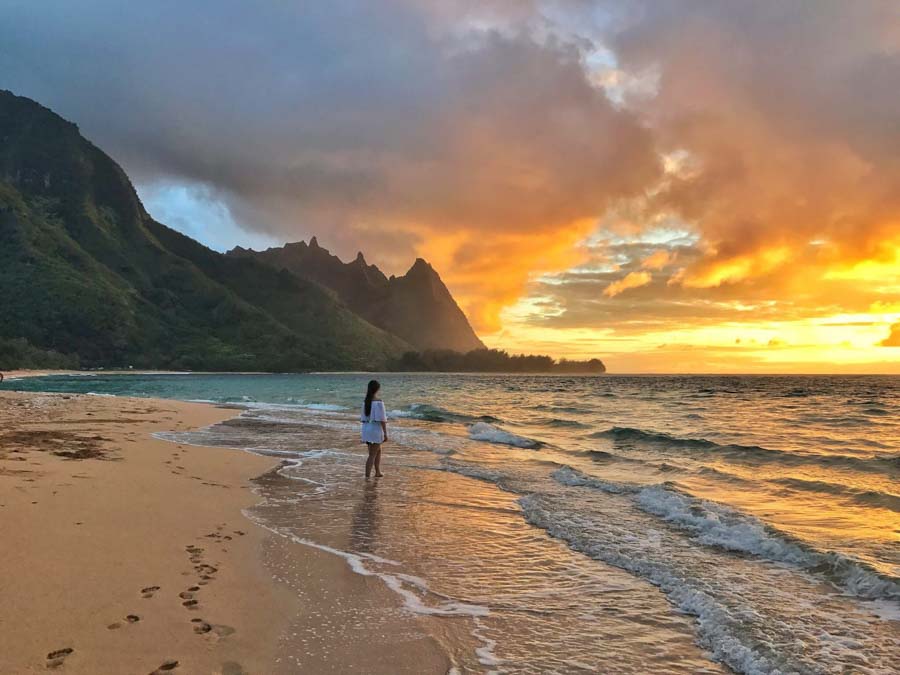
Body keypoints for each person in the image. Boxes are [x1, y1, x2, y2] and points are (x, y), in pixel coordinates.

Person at [360, 379, 388, 478]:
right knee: (372, 454)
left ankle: (377, 472)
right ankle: (367, 476)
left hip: (366, 428)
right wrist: (385, 433)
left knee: (377, 451)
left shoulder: (365, 402)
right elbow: (383, 419)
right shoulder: (379, 402)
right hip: (375, 429)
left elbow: (363, 419)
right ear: (377, 389)